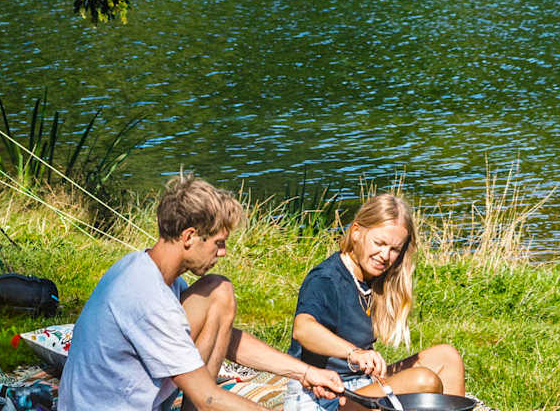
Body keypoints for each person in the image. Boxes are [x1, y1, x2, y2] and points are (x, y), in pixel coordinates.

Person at [61, 174, 346, 411]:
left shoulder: (149, 270)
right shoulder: (146, 296)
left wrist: (306, 372)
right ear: (189, 237)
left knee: (218, 292)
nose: (222, 253)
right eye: (218, 243)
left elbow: (226, 337)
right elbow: (207, 399)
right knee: (219, 290)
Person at [284, 193, 466, 411]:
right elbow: (303, 329)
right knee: (423, 381)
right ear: (357, 232)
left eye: (394, 249)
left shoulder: (374, 280)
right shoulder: (326, 279)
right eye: (379, 243)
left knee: (447, 357)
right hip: (322, 396)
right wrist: (354, 353)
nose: (385, 255)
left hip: (361, 385)